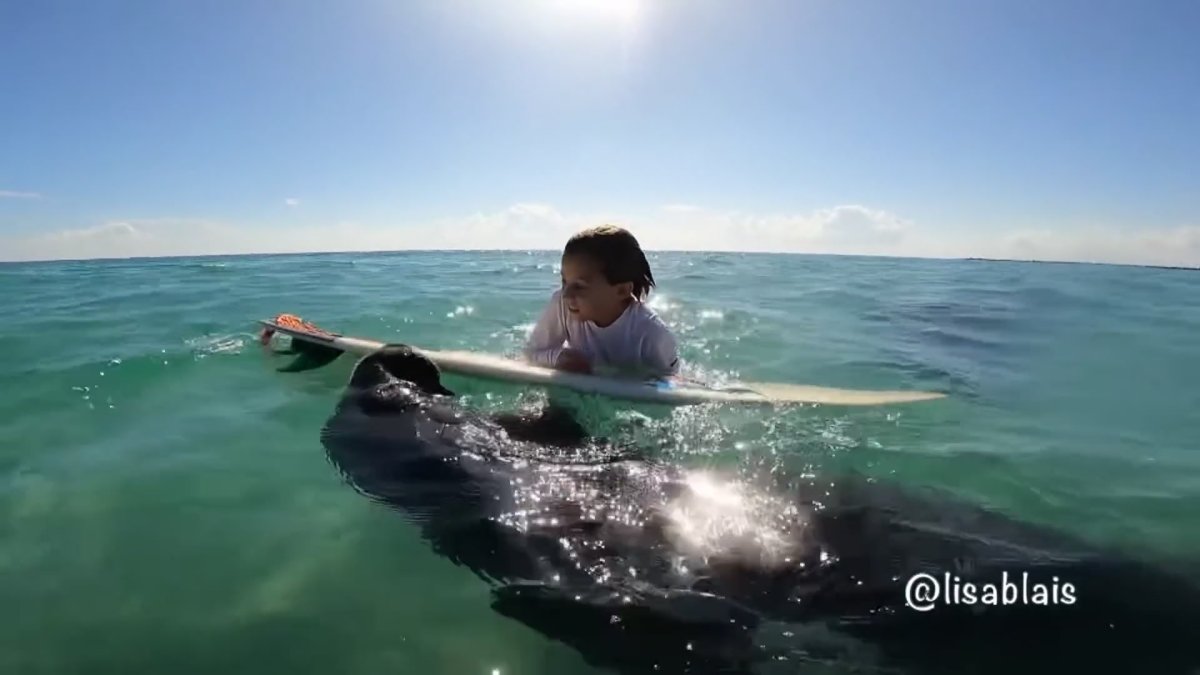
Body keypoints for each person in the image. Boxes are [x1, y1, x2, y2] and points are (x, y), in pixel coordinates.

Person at [524, 225, 680, 379]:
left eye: (579, 286)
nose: (566, 294)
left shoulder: (652, 333)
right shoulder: (562, 305)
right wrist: (557, 358)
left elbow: (673, 385)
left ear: (622, 291)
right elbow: (531, 353)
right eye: (564, 282)